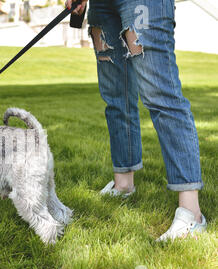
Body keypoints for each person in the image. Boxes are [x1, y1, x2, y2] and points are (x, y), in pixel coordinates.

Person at [65, 0, 207, 241]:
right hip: (102, 5)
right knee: (116, 96)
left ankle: (192, 213)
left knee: (161, 94)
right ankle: (123, 185)